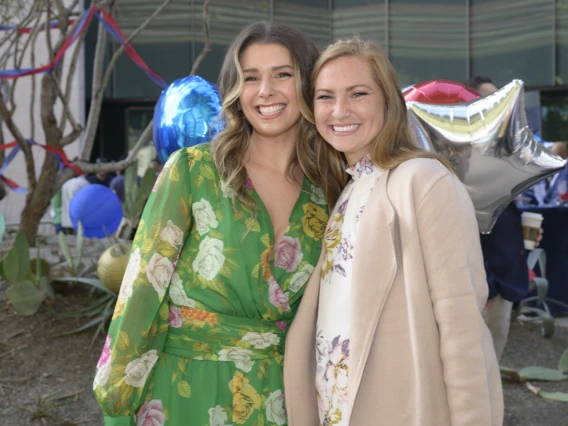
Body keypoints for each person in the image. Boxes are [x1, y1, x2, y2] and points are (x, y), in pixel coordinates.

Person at [93, 21, 343, 426]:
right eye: (251, 77)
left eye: (283, 74)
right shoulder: (193, 171)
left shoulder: (331, 191)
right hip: (180, 391)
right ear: (234, 90)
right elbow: (141, 288)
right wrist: (118, 399)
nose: (266, 91)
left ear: (309, 85)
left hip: (281, 397)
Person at [284, 38, 503, 426]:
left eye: (358, 94)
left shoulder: (424, 181)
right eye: (325, 96)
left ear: (388, 101)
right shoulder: (348, 189)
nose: (339, 110)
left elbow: (462, 327)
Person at [464, 76, 540, 361]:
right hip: (486, 287)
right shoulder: (462, 158)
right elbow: (463, 229)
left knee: (490, 367)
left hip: (502, 280)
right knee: (479, 370)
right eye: (491, 101)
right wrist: (487, 286)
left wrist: (523, 236)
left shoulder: (496, 151)